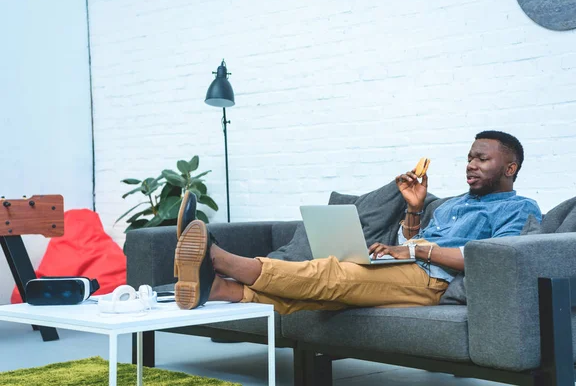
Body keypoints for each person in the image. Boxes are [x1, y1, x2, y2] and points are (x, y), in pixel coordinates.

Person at [173, 130, 542, 314]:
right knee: (324, 290)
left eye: (482, 159)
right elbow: (413, 238)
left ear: (510, 168)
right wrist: (413, 210)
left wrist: (416, 249)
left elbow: (492, 256)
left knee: (334, 275)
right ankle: (221, 289)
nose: (470, 165)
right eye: (468, 158)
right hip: (409, 266)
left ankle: (219, 258)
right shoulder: (453, 204)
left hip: (433, 281)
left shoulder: (520, 208)